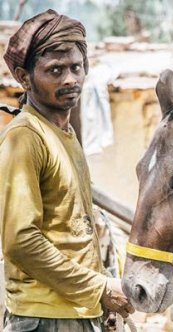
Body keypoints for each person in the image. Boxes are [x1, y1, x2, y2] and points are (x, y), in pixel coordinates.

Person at [0, 9, 134, 331]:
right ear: (24, 76)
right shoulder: (26, 137)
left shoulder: (66, 134)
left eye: (76, 67)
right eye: (55, 70)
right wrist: (99, 288)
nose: (71, 78)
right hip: (44, 317)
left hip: (77, 313)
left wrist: (102, 285)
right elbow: (20, 240)